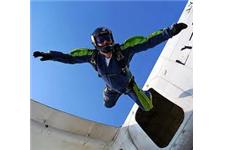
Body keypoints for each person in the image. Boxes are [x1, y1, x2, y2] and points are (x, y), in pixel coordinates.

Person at [33, 23, 187, 111]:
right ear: (95, 43)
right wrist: (51, 55)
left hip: (129, 86)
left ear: (112, 40)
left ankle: (146, 94)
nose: (105, 43)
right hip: (111, 88)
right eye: (101, 40)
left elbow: (147, 42)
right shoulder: (92, 56)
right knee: (108, 105)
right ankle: (109, 91)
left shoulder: (124, 50)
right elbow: (70, 58)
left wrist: (169, 31)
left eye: (107, 39)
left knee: (147, 107)